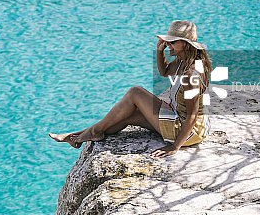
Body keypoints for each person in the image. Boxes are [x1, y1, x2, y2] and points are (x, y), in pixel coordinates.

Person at [49, 20, 212, 158]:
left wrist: (175, 147)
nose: (168, 44)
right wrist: (159, 51)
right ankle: (79, 136)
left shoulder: (191, 75)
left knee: (135, 92)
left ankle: (88, 134)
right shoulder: (185, 60)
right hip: (182, 119)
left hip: (185, 131)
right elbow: (164, 71)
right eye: (168, 41)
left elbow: (192, 115)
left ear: (186, 44)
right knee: (129, 116)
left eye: (172, 42)